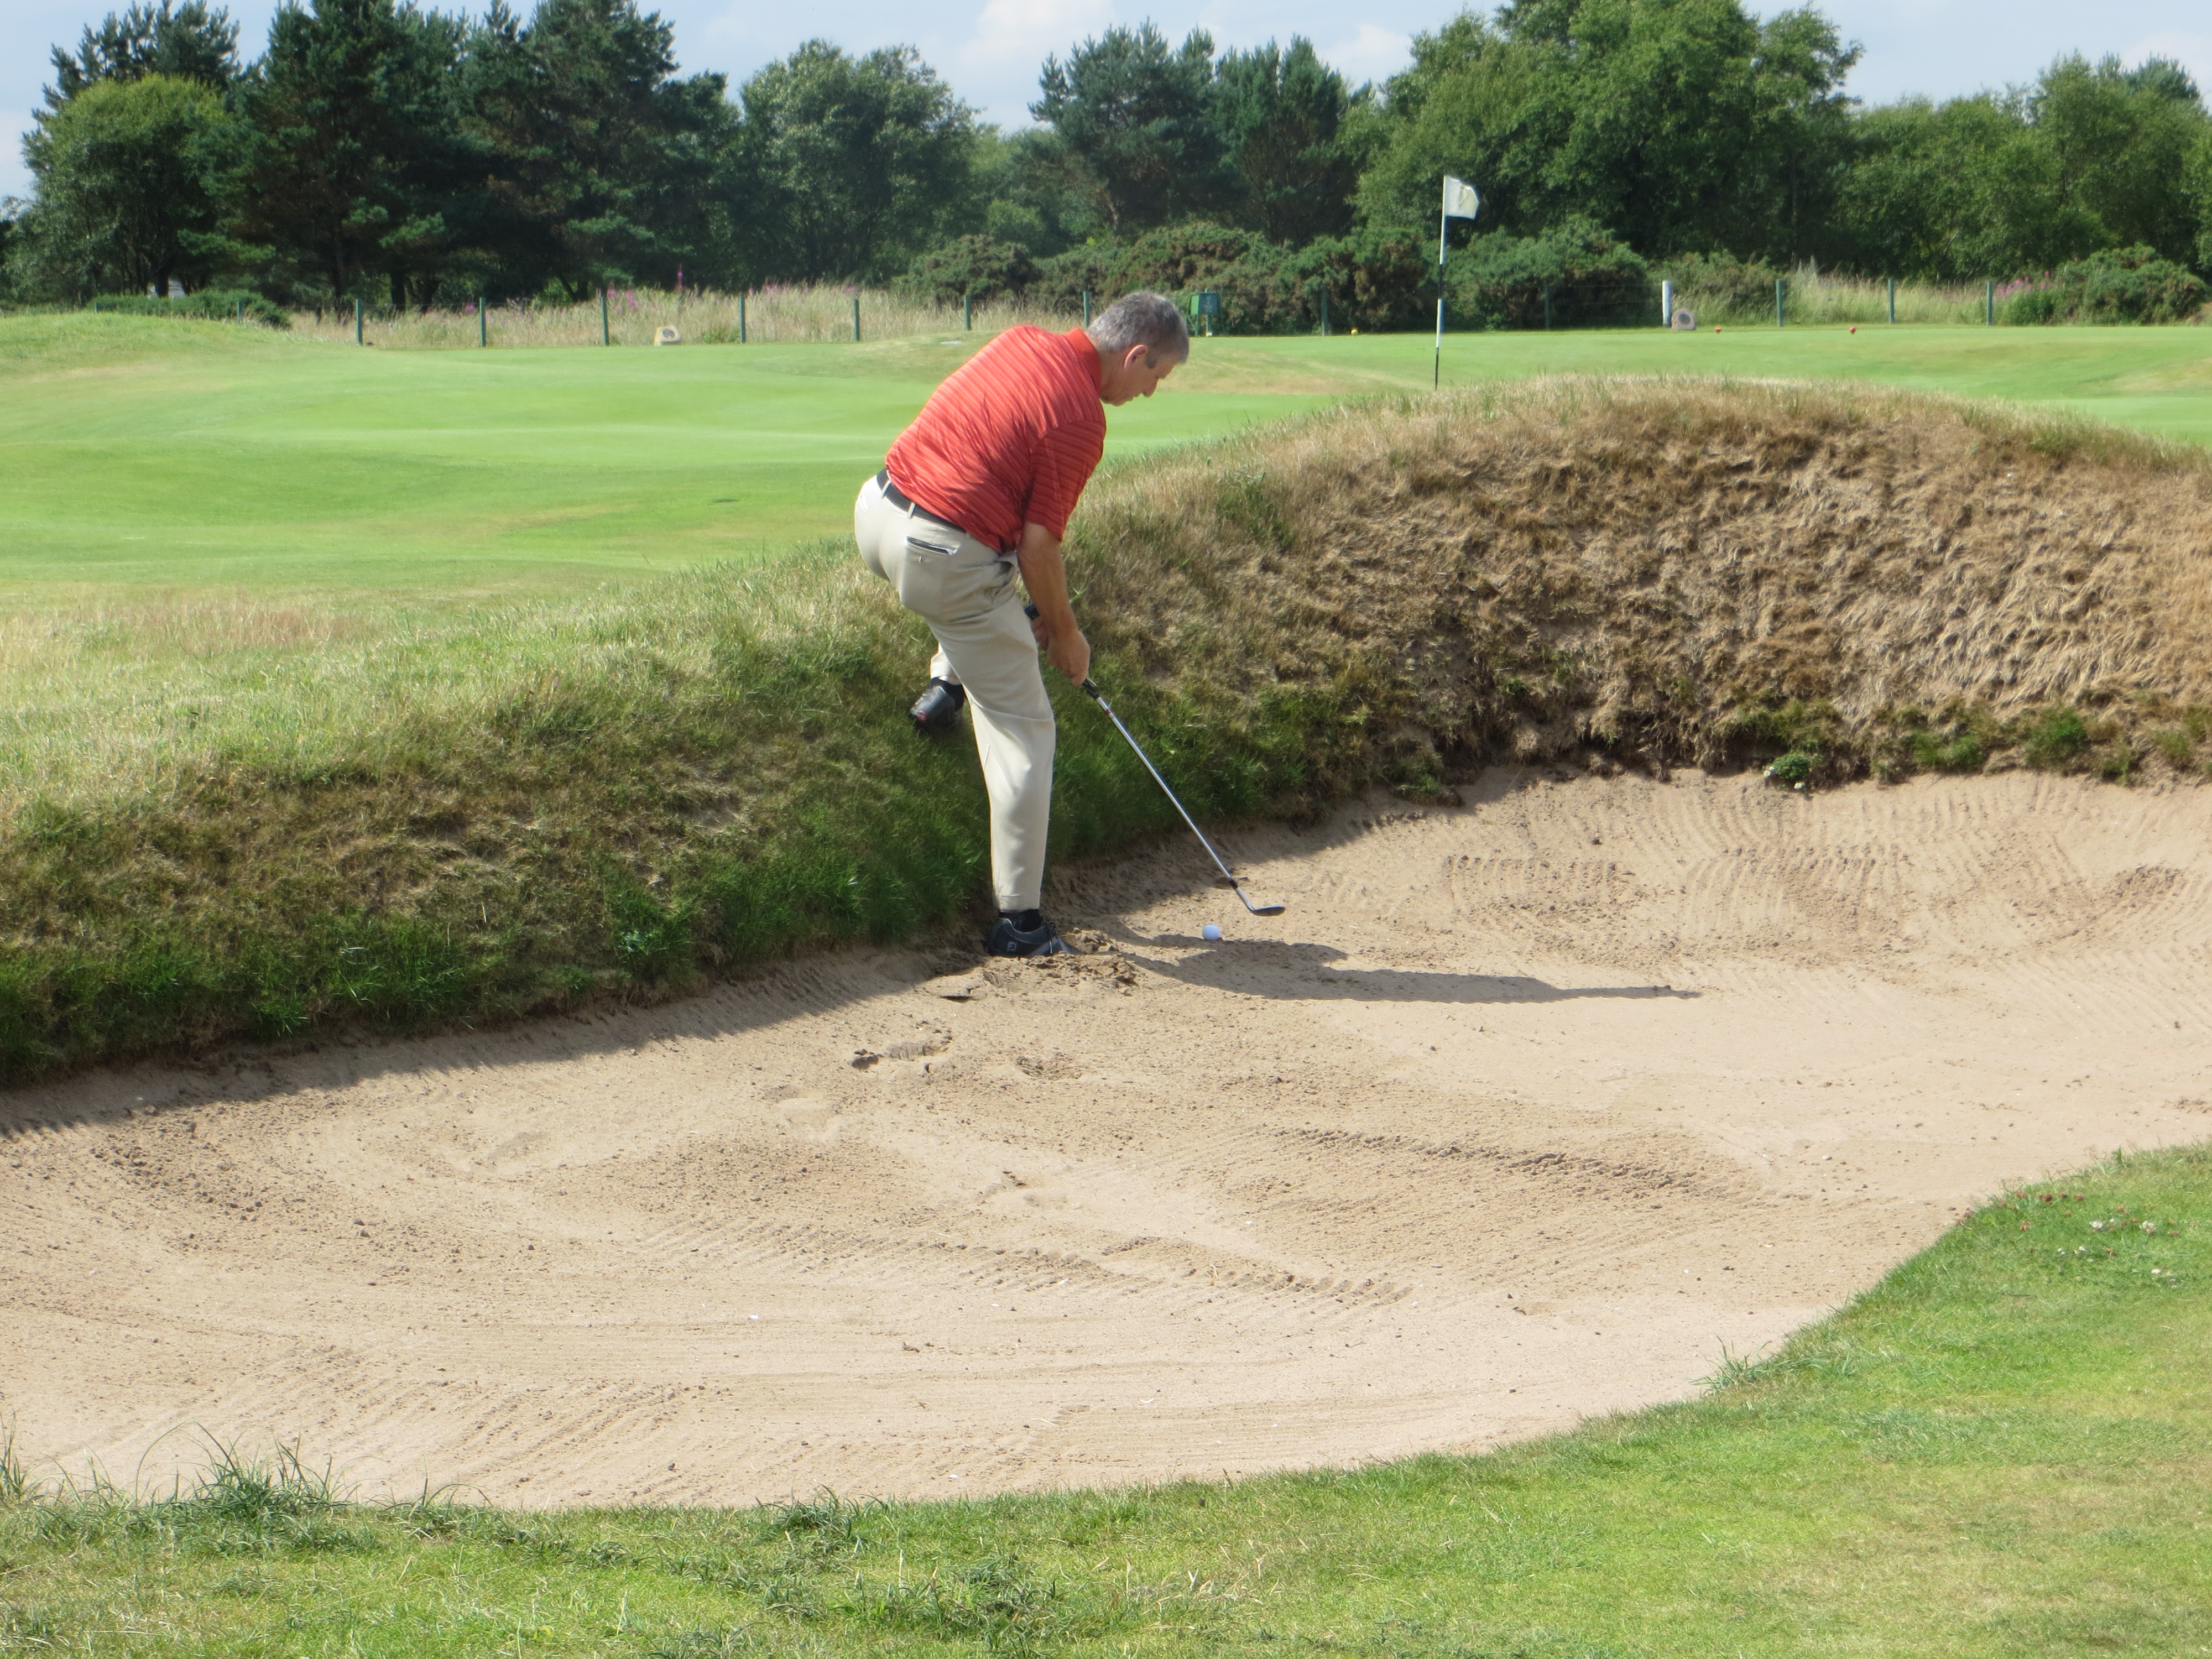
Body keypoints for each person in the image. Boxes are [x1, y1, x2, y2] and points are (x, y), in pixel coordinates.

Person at [854, 292, 1189, 958]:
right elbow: (1040, 548)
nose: (1150, 392)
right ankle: (1020, 923)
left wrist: (1035, 608)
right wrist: (1065, 634)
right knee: (1025, 729)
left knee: (989, 592)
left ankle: (946, 685)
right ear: (1135, 356)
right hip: (939, 558)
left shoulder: (1021, 339)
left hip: (877, 513)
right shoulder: (1082, 417)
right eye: (1156, 376)